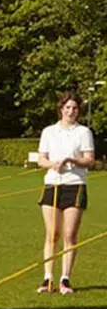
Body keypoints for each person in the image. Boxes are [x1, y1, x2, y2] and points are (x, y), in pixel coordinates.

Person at [36, 91, 95, 295]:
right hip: (53, 184)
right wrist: (53, 164)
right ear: (61, 109)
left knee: (69, 235)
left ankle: (65, 279)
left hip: (75, 184)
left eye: (75, 108)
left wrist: (72, 161)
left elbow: (89, 160)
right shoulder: (49, 131)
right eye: (68, 107)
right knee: (52, 234)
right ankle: (47, 278)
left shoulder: (84, 132)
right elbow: (41, 159)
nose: (71, 111)